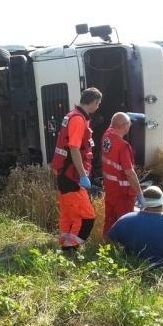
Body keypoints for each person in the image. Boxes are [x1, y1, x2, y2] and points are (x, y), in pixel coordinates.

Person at [51, 87, 102, 252]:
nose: (98, 107)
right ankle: (71, 249)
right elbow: (73, 148)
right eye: (98, 103)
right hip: (71, 175)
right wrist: (82, 175)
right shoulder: (78, 120)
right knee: (87, 217)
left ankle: (65, 248)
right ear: (93, 102)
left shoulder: (71, 115)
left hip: (63, 173)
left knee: (69, 215)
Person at [107, 185, 163, 270]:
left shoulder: (125, 219)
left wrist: (120, 255)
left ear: (143, 202)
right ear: (162, 203)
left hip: (134, 268)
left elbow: (109, 239)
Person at [101, 112, 145, 237]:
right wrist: (139, 193)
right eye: (129, 124)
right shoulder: (123, 146)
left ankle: (106, 246)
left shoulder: (106, 136)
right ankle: (124, 253)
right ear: (125, 126)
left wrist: (125, 116)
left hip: (110, 188)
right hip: (123, 193)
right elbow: (130, 173)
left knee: (109, 219)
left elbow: (113, 122)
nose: (130, 126)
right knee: (125, 222)